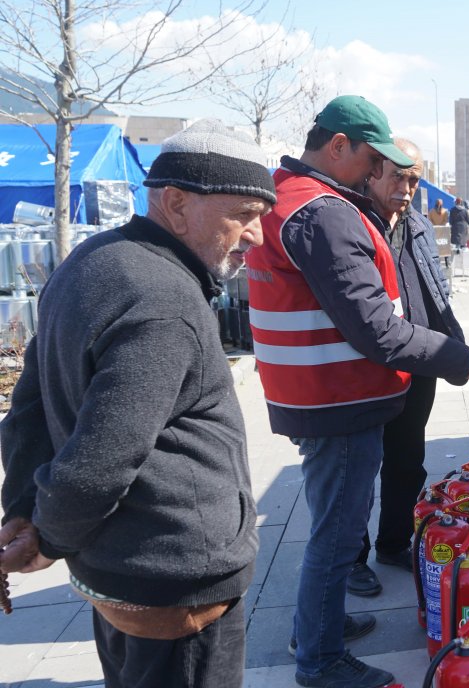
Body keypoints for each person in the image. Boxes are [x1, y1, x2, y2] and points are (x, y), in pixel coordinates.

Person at [245, 95, 469, 688]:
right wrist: (464, 359)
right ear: (337, 146)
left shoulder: (287, 195)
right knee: (339, 534)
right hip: (338, 397)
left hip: (315, 391)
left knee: (333, 525)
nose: (377, 175)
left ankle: (319, 625)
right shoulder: (323, 212)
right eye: (372, 161)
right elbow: (376, 328)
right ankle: (319, 659)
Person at [0, 119, 274, 687]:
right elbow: (101, 459)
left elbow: (28, 406)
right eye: (243, 215)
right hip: (173, 582)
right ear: (176, 203)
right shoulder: (162, 299)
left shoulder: (93, 259)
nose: (256, 237)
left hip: (125, 571)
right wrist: (46, 535)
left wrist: (27, 507)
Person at [350, 137, 469, 596]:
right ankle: (352, 559)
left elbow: (437, 290)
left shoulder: (416, 222)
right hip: (366, 366)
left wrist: (455, 350)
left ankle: (394, 542)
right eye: (397, 176)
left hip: (416, 361)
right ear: (373, 172)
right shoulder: (352, 222)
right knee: (359, 467)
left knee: (407, 461)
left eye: (414, 179)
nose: (406, 187)